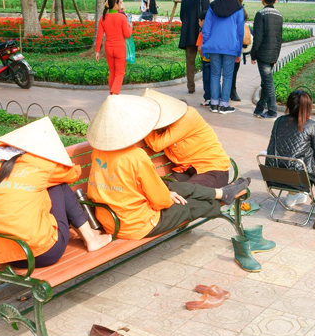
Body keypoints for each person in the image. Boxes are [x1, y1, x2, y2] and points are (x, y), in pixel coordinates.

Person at [85, 94, 251, 242]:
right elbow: (162, 202)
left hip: (109, 221)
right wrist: (165, 196)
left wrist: (163, 194)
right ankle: (223, 194)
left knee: (175, 190)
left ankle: (223, 192)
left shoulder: (98, 152)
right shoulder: (137, 157)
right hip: (138, 224)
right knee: (191, 204)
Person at [0, 117, 111, 268]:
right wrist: (55, 158)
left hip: (4, 254)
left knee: (45, 186)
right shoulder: (42, 162)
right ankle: (91, 238)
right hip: (42, 253)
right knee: (58, 185)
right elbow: (72, 175)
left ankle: (90, 236)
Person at [142, 89, 231, 188]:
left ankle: (227, 192)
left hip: (212, 169)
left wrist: (144, 122)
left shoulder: (187, 116)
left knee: (180, 191)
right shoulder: (167, 125)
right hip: (187, 170)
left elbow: (157, 144)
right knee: (159, 189)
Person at [266, 90, 315, 208]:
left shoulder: (278, 121)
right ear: (308, 107)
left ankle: (292, 196)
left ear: (288, 105)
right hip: (301, 180)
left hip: (274, 176)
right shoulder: (312, 125)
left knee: (289, 160)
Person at [201, 0, 244, 115]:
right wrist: (238, 51)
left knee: (214, 74)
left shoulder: (213, 5)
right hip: (231, 47)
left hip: (213, 46)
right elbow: (240, 32)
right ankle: (224, 106)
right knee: (227, 76)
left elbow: (206, 29)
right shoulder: (239, 8)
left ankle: (214, 104)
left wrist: (205, 46)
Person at [251, 0, 283, 120]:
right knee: (265, 81)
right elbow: (279, 39)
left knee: (268, 82)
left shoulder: (261, 14)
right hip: (273, 54)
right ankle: (259, 108)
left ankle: (272, 110)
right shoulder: (279, 15)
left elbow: (257, 37)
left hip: (263, 54)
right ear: (276, 0)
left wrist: (253, 54)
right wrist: (276, 56)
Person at [95, 0, 132, 95]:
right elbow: (127, 35)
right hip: (120, 48)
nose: (121, 4)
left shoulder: (103, 18)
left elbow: (99, 36)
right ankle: (114, 93)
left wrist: (97, 51)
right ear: (115, 5)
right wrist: (131, 27)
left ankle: (112, 95)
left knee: (112, 72)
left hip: (108, 49)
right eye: (119, 2)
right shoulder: (122, 17)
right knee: (120, 73)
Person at [179, 0, 209, 94]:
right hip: (201, 35)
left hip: (188, 35)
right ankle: (206, 87)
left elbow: (182, 17)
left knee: (189, 62)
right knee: (205, 61)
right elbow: (208, 16)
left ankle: (190, 87)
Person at [229, 0, 250, 103]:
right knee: (234, 68)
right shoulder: (239, 9)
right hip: (236, 42)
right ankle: (232, 90)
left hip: (227, 40)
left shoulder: (229, 6)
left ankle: (227, 90)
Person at [195, 11, 212, 107]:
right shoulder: (214, 32)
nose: (199, 23)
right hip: (215, 60)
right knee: (215, 79)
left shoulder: (202, 34)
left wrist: (202, 56)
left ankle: (207, 99)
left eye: (199, 21)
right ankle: (216, 98)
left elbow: (199, 48)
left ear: (203, 21)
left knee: (206, 80)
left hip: (206, 61)